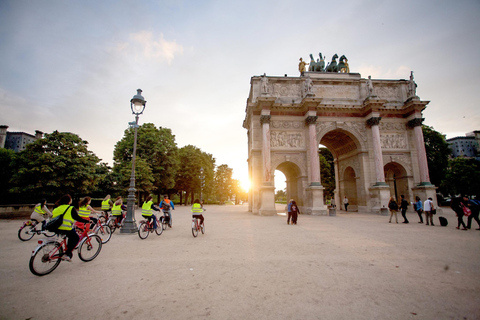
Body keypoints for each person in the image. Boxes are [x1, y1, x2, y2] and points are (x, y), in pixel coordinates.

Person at [51, 194, 89, 262]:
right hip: (65, 228)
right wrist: (88, 221)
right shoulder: (70, 208)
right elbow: (77, 218)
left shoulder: (57, 208)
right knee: (76, 237)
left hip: (56, 228)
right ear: (69, 201)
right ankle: (67, 254)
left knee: (70, 236)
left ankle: (65, 251)